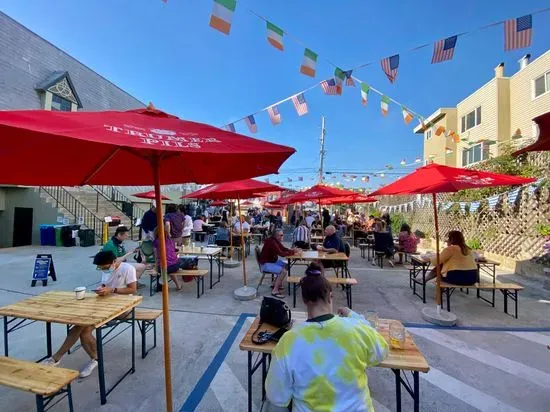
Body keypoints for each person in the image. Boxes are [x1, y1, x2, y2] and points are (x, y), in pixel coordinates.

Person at [265, 262, 389, 412]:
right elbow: (381, 353)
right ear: (330, 296)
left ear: (304, 300)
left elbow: (277, 399)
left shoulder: (288, 341)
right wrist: (353, 315)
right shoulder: (357, 329)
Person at [41, 251, 137, 377]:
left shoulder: (128, 269)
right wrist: (101, 288)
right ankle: (94, 359)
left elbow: (132, 289)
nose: (103, 269)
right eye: (101, 268)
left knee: (83, 328)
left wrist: (113, 290)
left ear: (113, 262)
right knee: (81, 325)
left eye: (105, 267)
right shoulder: (106, 269)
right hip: (105, 303)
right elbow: (105, 284)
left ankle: (57, 358)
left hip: (123, 307)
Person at [259, 229, 300, 298]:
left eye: (282, 235)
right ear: (276, 236)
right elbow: (281, 253)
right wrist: (293, 252)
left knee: (286, 265)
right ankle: (275, 291)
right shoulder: (272, 242)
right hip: (265, 264)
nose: (282, 236)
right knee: (283, 271)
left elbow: (283, 248)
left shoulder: (275, 240)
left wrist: (292, 250)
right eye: (281, 235)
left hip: (271, 262)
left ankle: (275, 283)